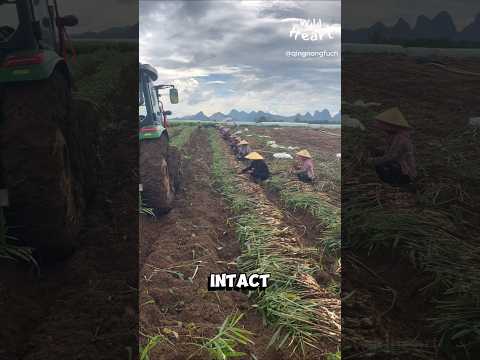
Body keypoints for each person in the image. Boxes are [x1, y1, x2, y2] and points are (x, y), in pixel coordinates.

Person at [367, 107, 417, 187]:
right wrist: (377, 149)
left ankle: (397, 183)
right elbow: (390, 149)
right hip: (398, 164)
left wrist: (372, 161)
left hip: (404, 171)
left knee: (380, 167)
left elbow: (391, 156)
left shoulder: (400, 138)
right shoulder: (393, 136)